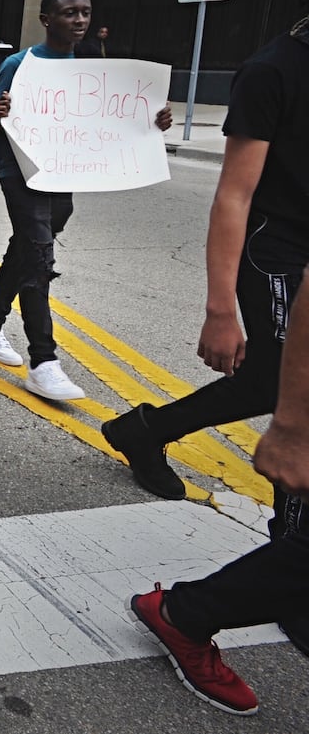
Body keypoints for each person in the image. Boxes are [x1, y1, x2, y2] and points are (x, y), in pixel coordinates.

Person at [103, 0, 309, 666]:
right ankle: (291, 555)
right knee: (286, 392)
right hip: (279, 251)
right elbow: (234, 193)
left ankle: (145, 428)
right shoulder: (271, 70)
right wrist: (221, 305)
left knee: (267, 382)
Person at [0, 0, 173, 400]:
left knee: (27, 248)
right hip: (22, 176)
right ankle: (44, 362)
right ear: (47, 20)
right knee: (39, 259)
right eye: (69, 13)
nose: (79, 20)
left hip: (63, 175)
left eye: (85, 12)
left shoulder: (95, 67)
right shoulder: (19, 64)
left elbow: (114, 122)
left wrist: (153, 121)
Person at [128, 273, 309, 715]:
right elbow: (233, 200)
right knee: (266, 380)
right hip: (273, 243)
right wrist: (221, 309)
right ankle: (184, 615)